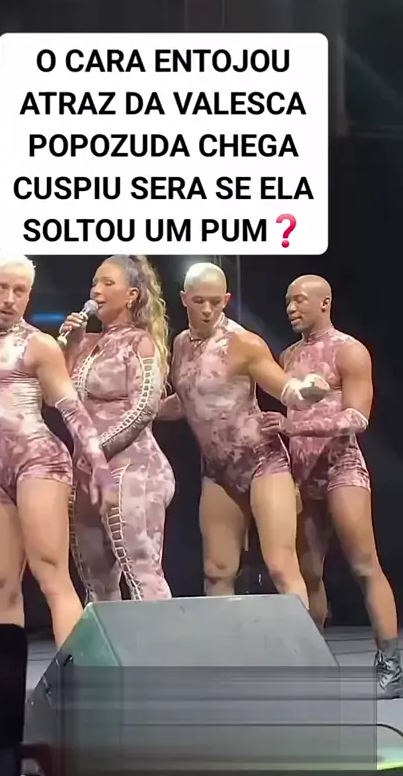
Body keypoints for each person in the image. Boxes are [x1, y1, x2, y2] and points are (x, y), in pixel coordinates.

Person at [0, 251, 114, 649]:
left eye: (20, 290)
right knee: (1, 582)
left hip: (39, 462)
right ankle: (2, 678)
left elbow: (71, 409)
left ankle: (78, 675)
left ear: (29, 295)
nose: (10, 298)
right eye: (2, 288)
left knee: (50, 573)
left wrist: (98, 465)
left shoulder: (38, 345)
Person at [261, 274, 402, 697]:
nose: (291, 308)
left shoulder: (349, 350)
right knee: (307, 571)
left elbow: (357, 418)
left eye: (300, 300)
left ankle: (391, 662)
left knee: (364, 564)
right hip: (301, 473)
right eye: (288, 301)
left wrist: (296, 428)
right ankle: (311, 662)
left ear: (324, 303)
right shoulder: (287, 356)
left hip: (341, 467)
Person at [158, 262, 328, 602]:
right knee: (217, 570)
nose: (208, 310)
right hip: (218, 470)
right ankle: (221, 638)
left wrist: (306, 389)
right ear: (184, 298)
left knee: (280, 565)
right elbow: (189, 400)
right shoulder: (180, 344)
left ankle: (299, 637)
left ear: (226, 299)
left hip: (262, 461)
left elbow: (286, 389)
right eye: (199, 301)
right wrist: (142, 411)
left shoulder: (243, 343)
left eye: (215, 302)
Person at [59, 254, 174, 601]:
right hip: (87, 476)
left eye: (108, 283)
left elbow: (144, 408)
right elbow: (59, 397)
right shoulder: (87, 343)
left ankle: (159, 640)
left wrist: (97, 451)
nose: (97, 290)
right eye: (95, 282)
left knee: (142, 573)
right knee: (97, 585)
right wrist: (70, 346)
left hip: (132, 469)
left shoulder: (139, 342)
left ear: (132, 295)